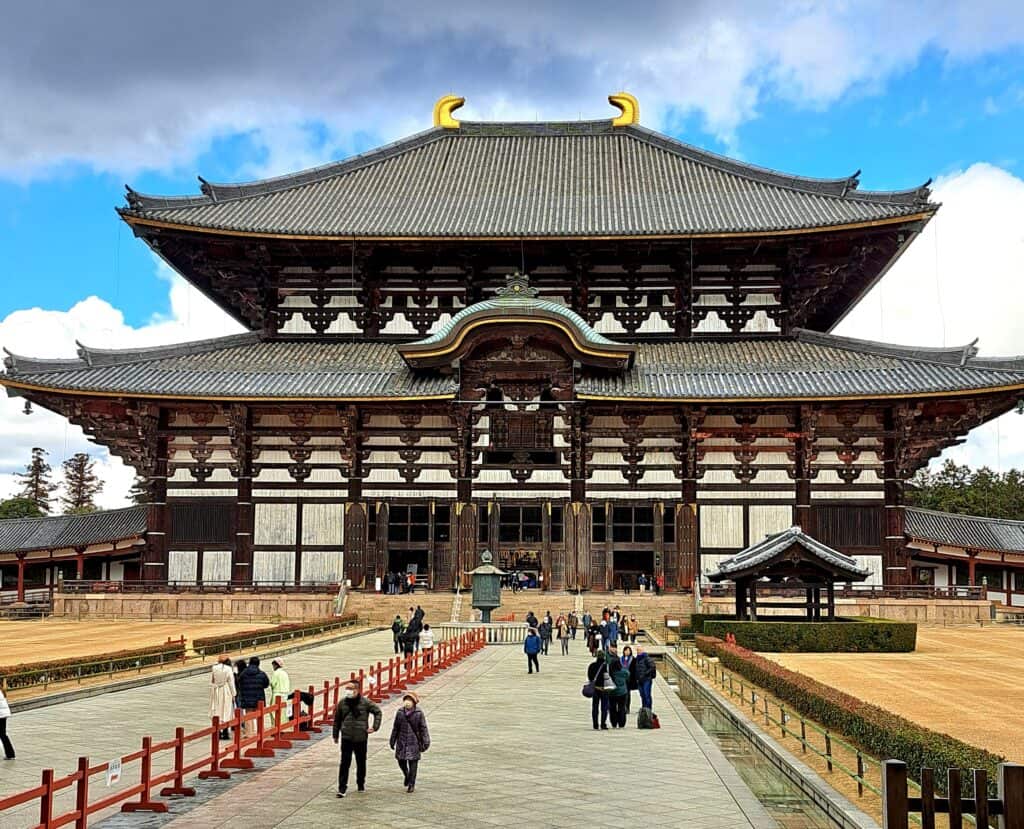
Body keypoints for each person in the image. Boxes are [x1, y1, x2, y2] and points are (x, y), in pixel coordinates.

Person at [332, 679, 382, 797]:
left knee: (361, 762)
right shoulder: (342, 703)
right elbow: (337, 720)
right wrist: (335, 735)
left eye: (350, 689)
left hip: (361, 737)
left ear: (357, 690)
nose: (348, 691)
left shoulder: (365, 702)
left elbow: (377, 712)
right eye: (347, 689)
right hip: (346, 737)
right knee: (344, 763)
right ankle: (342, 788)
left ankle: (360, 783)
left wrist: (375, 727)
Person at [389, 691, 430, 793]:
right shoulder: (400, 713)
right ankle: (406, 775)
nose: (407, 702)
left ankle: (411, 783)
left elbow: (423, 728)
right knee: (401, 761)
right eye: (406, 700)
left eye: (410, 700)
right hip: (402, 741)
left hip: (414, 742)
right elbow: (395, 727)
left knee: (413, 763)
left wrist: (426, 741)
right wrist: (392, 740)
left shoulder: (418, 713)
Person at [237, 656, 270, 736]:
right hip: (259, 697)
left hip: (247, 697)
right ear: (258, 664)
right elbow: (266, 684)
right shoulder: (261, 673)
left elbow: (239, 683)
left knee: (248, 715)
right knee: (259, 715)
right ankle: (260, 732)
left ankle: (249, 733)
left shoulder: (243, 673)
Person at [210, 655, 237, 740]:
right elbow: (231, 682)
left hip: (217, 690)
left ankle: (217, 731)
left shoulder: (214, 668)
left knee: (217, 710)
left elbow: (212, 680)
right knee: (226, 711)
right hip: (226, 690)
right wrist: (234, 694)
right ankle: (225, 732)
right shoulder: (228, 669)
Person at [587, 652, 610, 730]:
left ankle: (595, 724)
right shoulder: (605, 666)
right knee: (604, 708)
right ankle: (603, 724)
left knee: (595, 707)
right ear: (604, 657)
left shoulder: (592, 666)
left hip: (595, 689)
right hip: (604, 689)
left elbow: (590, 677)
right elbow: (607, 678)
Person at [608, 655, 630, 728]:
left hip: (612, 693)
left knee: (612, 708)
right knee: (622, 708)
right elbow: (628, 676)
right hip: (622, 692)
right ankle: (621, 723)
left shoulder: (610, 672)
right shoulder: (623, 671)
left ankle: (613, 722)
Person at [634, 647, 657, 712]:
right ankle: (644, 708)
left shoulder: (647, 658)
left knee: (647, 695)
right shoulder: (637, 659)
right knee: (642, 695)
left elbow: (652, 667)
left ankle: (648, 709)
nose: (638, 651)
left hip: (646, 679)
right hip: (639, 680)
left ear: (643, 651)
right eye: (637, 650)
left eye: (640, 650)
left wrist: (645, 674)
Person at [620, 646, 636, 715]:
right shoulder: (620, 659)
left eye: (628, 651)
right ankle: (622, 707)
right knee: (622, 694)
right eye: (626, 650)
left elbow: (635, 670)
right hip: (622, 679)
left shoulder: (633, 659)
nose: (627, 652)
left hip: (629, 679)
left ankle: (627, 708)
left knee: (628, 694)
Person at [0, 686, 14, 759]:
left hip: (1, 714)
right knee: (3, 734)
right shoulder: (1, 690)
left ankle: (10, 753)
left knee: (2, 734)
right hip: (3, 715)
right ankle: (10, 753)